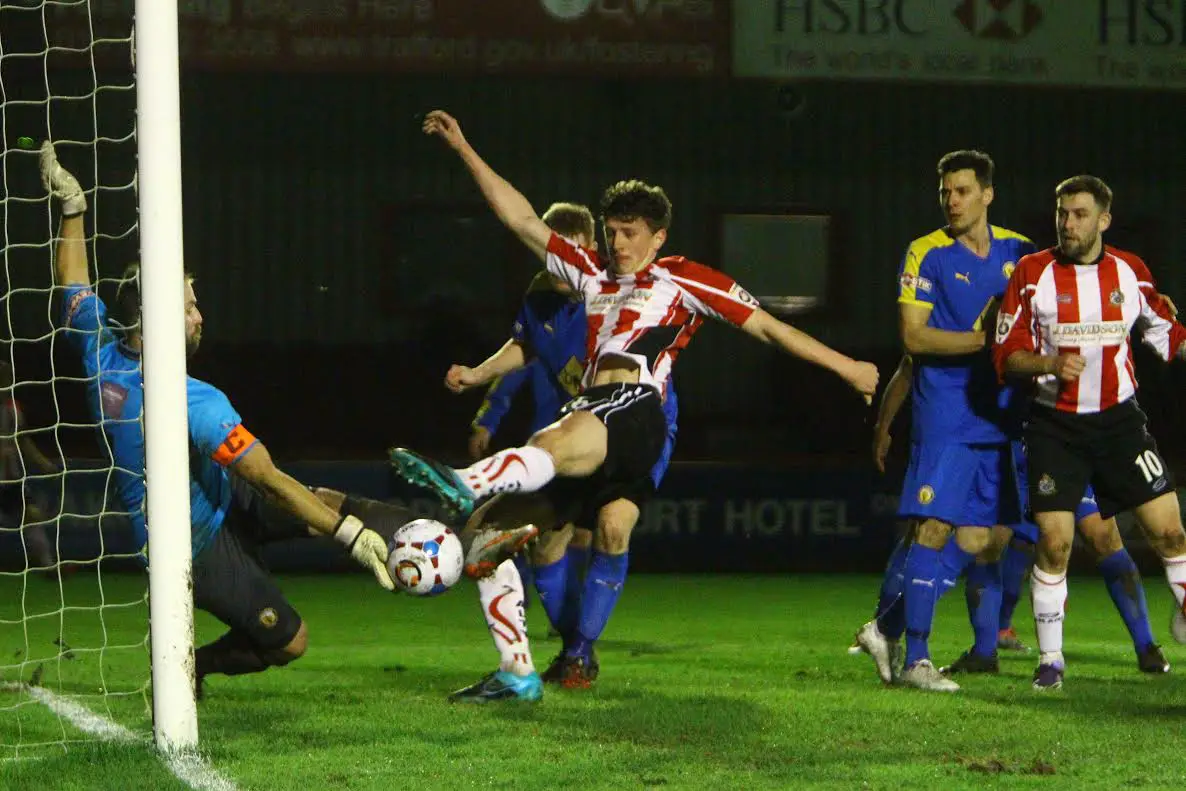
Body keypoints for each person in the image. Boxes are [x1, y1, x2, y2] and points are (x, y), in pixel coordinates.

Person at [390, 109, 877, 685]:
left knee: (568, 451)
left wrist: (847, 367)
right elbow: (520, 218)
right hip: (599, 420)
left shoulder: (684, 279)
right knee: (494, 538)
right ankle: (531, 669)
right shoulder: (589, 275)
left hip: (636, 410)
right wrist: (465, 149)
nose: (618, 243)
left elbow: (770, 327)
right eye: (613, 231)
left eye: (630, 233)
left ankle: (465, 479)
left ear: (659, 236)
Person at [39, 142, 397, 697]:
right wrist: (349, 538)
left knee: (330, 499)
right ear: (155, 317)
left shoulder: (99, 352)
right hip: (191, 542)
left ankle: (452, 540)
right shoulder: (192, 399)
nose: (200, 314)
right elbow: (270, 479)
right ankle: (193, 669)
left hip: (218, 496)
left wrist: (73, 210)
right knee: (290, 641)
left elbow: (73, 284)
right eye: (187, 306)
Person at [441, 203, 680, 701]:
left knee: (610, 529)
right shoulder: (541, 301)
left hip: (633, 429)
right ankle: (574, 650)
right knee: (544, 544)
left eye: (576, 246)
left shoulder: (609, 288)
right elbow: (523, 348)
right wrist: (480, 381)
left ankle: (575, 650)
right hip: (567, 434)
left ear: (588, 248)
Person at [994, 174, 1186, 690]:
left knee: (1170, 532)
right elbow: (1007, 356)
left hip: (1121, 423)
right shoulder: (1033, 275)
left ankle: (1175, 618)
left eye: (1079, 214)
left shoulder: (1132, 273)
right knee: (1054, 545)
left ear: (1104, 220)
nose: (1068, 223)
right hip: (1055, 426)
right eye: (1062, 213)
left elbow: (1167, 338)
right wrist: (1050, 361)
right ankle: (1051, 661)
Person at [855, 150, 1034, 692]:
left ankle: (885, 628)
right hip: (947, 415)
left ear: (987, 194)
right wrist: (988, 342)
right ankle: (918, 659)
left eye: (961, 191)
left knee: (990, 537)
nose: (952, 201)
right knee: (933, 528)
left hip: (1000, 417)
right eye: (945, 193)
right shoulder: (926, 253)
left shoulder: (1019, 254)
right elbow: (913, 340)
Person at [869, 353, 1167, 676]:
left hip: (1062, 440)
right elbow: (912, 364)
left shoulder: (1065, 314)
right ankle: (983, 651)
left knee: (1101, 535)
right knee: (988, 540)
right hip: (1013, 441)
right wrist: (884, 426)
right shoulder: (992, 315)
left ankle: (1146, 646)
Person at [0, 361, 62, 575]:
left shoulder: (13, 409)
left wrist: (45, 464)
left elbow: (24, 441)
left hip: (12, 479)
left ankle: (48, 566)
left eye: (9, 380)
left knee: (32, 516)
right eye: (5, 379)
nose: (8, 384)